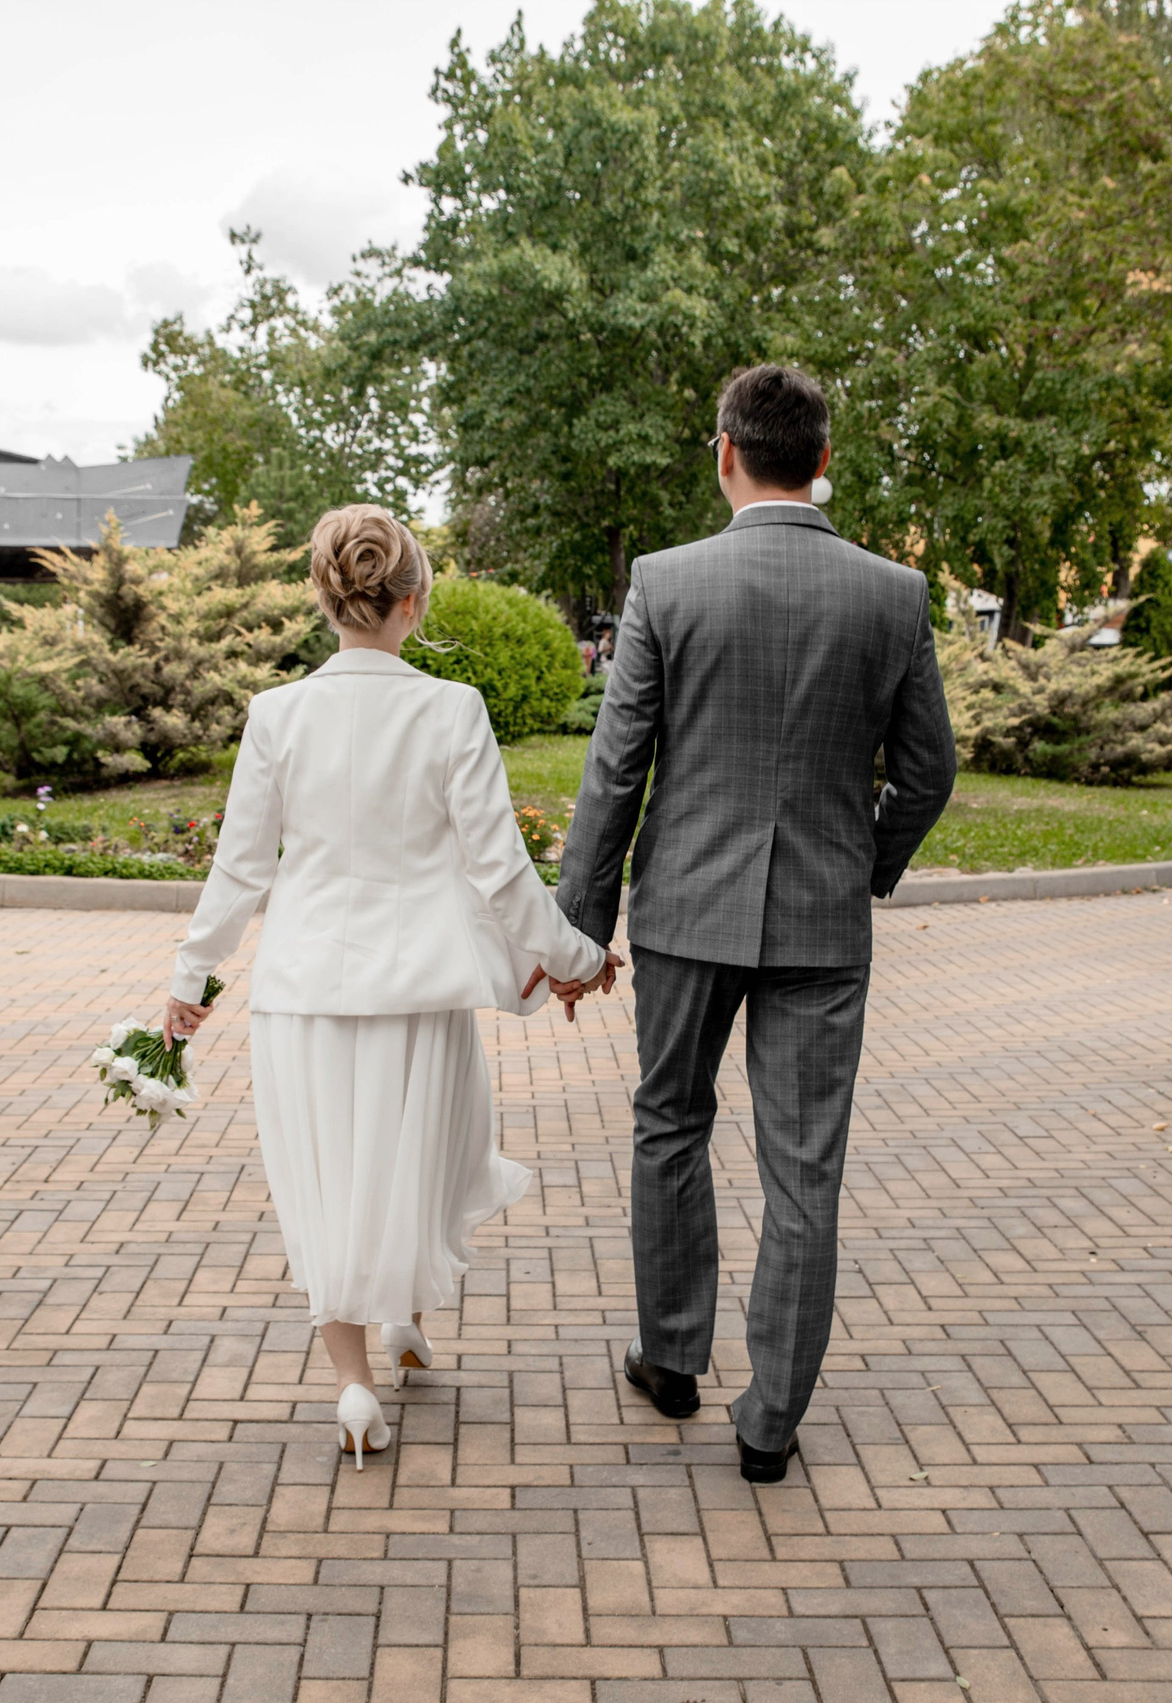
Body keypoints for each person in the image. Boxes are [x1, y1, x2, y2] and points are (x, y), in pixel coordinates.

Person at [555, 364, 957, 1483]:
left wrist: (579, 926)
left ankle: (671, 1356)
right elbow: (929, 773)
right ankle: (769, 1424)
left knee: (670, 1121)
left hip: (685, 908)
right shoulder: (894, 592)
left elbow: (615, 769)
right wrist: (856, 863)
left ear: (725, 453)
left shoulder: (666, 583)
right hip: (823, 927)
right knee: (803, 1174)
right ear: (821, 461)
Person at [161, 505, 621, 1470]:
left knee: (330, 1179)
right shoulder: (449, 709)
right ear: (413, 601)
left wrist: (190, 979)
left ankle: (357, 1378)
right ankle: (404, 1323)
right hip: (418, 989)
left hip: (305, 994)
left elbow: (240, 870)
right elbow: (502, 871)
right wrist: (575, 957)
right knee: (416, 1159)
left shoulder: (278, 715)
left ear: (329, 603)